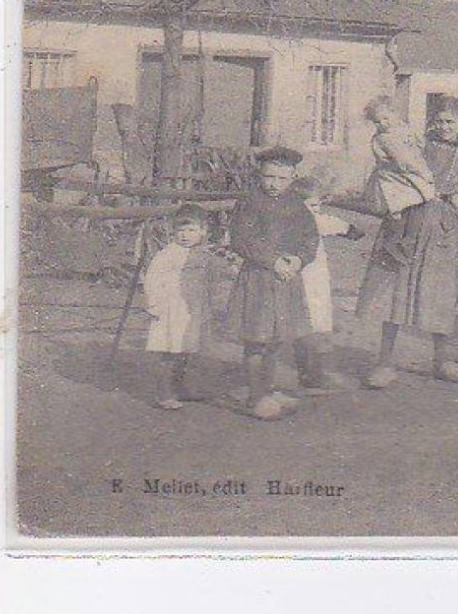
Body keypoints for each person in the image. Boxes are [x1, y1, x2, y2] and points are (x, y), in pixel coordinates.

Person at [358, 98, 458, 387]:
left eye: (451, 122)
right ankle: (384, 363)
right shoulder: (416, 142)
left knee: (440, 294)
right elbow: (387, 169)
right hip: (405, 223)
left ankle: (442, 360)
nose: (445, 127)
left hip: (442, 229)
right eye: (440, 121)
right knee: (395, 290)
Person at [225, 146, 319, 420]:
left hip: (287, 280)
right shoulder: (250, 203)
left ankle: (268, 388)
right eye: (269, 177)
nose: (274, 184)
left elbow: (310, 238)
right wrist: (272, 261)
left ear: (293, 178)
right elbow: (241, 239)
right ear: (259, 176)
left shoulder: (298, 206)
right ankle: (256, 396)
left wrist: (299, 260)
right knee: (256, 338)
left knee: (277, 338)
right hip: (259, 280)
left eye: (282, 179)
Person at [142, 204, 227, 410]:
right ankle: (164, 393)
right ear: (173, 231)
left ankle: (180, 388)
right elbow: (152, 279)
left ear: (203, 231)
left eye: (191, 230)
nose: (185, 235)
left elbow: (214, 277)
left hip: (192, 310)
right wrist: (154, 304)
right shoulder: (167, 254)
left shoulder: (203, 255)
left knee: (186, 351)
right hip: (171, 309)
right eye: (181, 230)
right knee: (170, 351)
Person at [292, 176, 363, 394]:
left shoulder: (308, 218)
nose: (316, 209)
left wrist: (351, 230)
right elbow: (335, 225)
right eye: (312, 205)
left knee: (314, 323)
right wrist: (351, 230)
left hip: (315, 279)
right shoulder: (307, 220)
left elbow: (335, 224)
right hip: (304, 279)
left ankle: (311, 373)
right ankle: (312, 375)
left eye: (317, 205)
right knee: (313, 324)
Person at [363, 96, 437, 267]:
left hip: (403, 176)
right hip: (394, 179)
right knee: (402, 207)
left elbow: (417, 144)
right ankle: (396, 244)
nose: (383, 123)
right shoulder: (385, 138)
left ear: (395, 114)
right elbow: (404, 159)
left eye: (386, 118)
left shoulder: (401, 130)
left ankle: (405, 243)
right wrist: (424, 173)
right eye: (377, 121)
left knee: (414, 206)